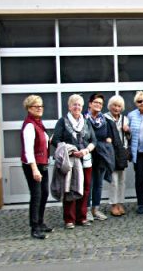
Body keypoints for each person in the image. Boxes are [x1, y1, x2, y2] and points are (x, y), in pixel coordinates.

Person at [52, 94, 97, 229]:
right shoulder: (62, 121)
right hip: (70, 161)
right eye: (74, 104)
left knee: (85, 188)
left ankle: (81, 217)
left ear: (82, 107)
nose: (77, 107)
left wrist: (85, 151)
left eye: (79, 105)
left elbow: (93, 141)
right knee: (70, 188)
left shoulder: (86, 122)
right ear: (69, 106)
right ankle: (69, 219)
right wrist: (70, 150)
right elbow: (55, 140)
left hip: (86, 160)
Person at [21, 95, 52, 239]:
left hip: (43, 163)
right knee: (36, 195)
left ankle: (40, 222)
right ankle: (34, 227)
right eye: (36, 106)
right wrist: (34, 169)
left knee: (44, 193)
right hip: (33, 165)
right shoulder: (29, 125)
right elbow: (28, 150)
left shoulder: (39, 123)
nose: (39, 108)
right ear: (28, 108)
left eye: (41, 106)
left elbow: (43, 142)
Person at [86, 93, 120, 222]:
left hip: (101, 156)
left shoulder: (104, 120)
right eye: (96, 102)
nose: (98, 105)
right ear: (90, 104)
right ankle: (87, 210)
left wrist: (107, 140)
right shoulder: (84, 119)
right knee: (90, 183)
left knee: (98, 184)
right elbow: (86, 137)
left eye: (100, 103)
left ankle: (96, 209)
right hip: (89, 155)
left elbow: (109, 137)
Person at [103, 95, 129, 217]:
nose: (116, 108)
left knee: (122, 180)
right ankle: (113, 204)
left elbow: (129, 137)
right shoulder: (104, 118)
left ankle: (120, 203)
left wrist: (128, 131)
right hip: (110, 151)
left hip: (122, 151)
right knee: (113, 180)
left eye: (119, 106)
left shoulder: (125, 119)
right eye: (114, 105)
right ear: (110, 106)